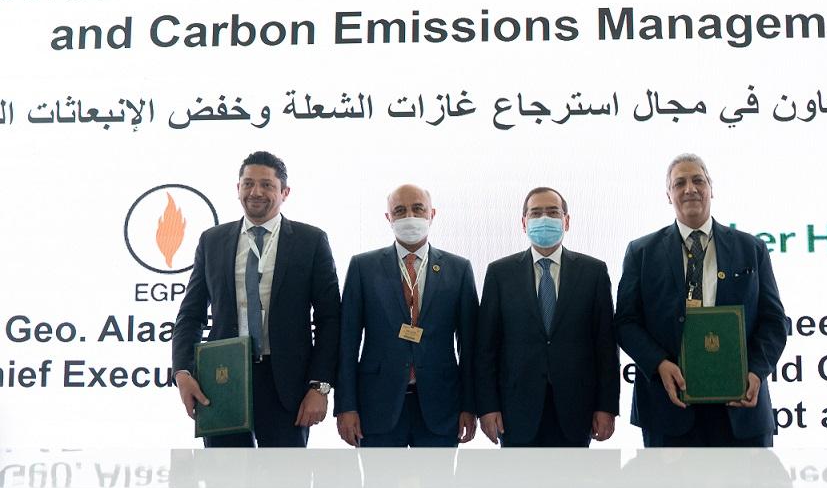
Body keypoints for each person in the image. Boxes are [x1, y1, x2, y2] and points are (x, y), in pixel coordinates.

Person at [615, 154, 787, 447]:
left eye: (698, 180)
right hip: (668, 408)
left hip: (740, 409)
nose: (690, 189)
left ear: (711, 188)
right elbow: (626, 322)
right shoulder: (641, 252)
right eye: (679, 183)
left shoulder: (751, 248)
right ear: (668, 195)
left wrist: (757, 371)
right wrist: (658, 364)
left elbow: (774, 321)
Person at [172, 151, 341, 447]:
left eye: (267, 185)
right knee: (223, 474)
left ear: (284, 192)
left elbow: (330, 319)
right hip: (222, 381)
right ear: (237, 188)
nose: (256, 192)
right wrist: (182, 371)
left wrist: (320, 386)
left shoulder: (310, 241)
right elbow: (191, 314)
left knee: (284, 475)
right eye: (248, 184)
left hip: (287, 386)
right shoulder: (212, 240)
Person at [335, 185, 477, 447]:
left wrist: (470, 405)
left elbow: (469, 346)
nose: (409, 216)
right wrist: (346, 406)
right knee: (381, 476)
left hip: (442, 404)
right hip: (376, 405)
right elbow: (347, 343)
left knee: (437, 476)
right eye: (400, 210)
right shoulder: (363, 267)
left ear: (432, 214)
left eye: (418, 208)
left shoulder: (459, 269)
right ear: (388, 217)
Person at [476, 187, 619, 447]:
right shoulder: (499, 273)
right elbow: (486, 348)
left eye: (553, 212)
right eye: (536, 213)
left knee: (572, 475)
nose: (544, 218)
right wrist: (487, 407)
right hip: (515, 409)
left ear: (566, 221)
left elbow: (606, 346)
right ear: (524, 223)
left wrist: (606, 407)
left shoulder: (593, 272)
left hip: (577, 410)